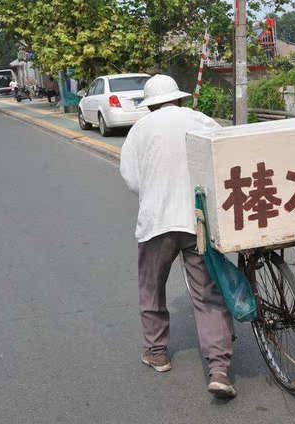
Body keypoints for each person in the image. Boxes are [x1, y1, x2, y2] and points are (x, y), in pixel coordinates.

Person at [119, 75, 237, 399]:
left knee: (151, 288)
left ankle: (157, 353)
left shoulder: (139, 130)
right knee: (207, 294)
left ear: (151, 104)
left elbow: (131, 179)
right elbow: (225, 157)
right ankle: (219, 369)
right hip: (196, 220)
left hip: (156, 223)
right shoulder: (201, 120)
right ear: (180, 99)